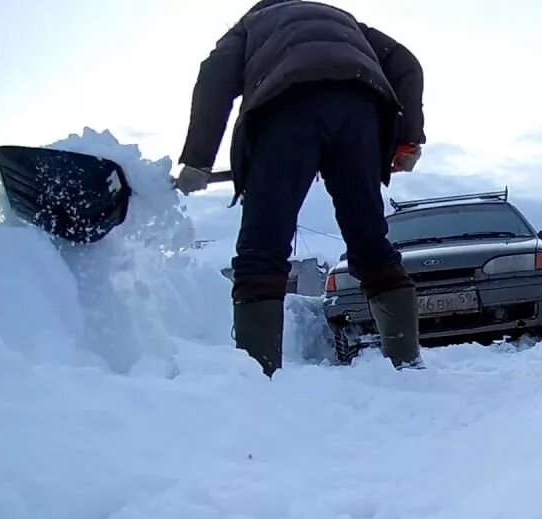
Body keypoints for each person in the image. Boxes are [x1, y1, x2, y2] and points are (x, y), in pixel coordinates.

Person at [174, 0, 427, 377]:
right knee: (370, 242)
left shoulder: (250, 25)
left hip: (285, 108)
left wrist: (197, 160)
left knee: (262, 248)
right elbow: (405, 62)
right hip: (360, 108)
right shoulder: (345, 22)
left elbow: (214, 75)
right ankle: (407, 367)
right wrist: (408, 139)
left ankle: (259, 379)